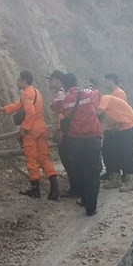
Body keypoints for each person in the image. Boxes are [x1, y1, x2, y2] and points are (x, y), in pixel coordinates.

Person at [0, 71, 60, 200]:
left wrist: (23, 129)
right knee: (44, 158)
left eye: (18, 80)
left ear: (23, 81)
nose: (17, 82)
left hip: (32, 132)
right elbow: (19, 105)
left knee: (31, 159)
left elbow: (30, 112)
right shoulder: (36, 92)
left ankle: (35, 189)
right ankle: (55, 189)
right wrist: (2, 109)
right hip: (41, 128)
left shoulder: (25, 93)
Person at [52, 73, 102, 215]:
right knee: (92, 172)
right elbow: (97, 94)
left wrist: (61, 92)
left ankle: (84, 199)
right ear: (76, 83)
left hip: (75, 141)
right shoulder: (87, 93)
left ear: (65, 85)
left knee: (80, 170)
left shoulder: (65, 98)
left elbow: (55, 107)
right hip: (93, 138)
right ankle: (90, 207)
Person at [45, 70, 79, 198]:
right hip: (67, 130)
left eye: (51, 79)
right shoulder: (64, 92)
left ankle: (76, 189)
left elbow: (60, 113)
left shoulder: (61, 93)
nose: (49, 83)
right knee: (70, 161)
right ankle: (76, 187)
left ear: (58, 80)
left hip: (63, 131)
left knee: (69, 160)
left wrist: (58, 131)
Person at [97, 95, 133, 192]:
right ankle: (115, 178)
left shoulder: (104, 99)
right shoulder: (107, 109)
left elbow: (98, 112)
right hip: (118, 127)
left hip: (129, 125)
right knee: (109, 151)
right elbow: (108, 121)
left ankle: (131, 181)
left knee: (127, 153)